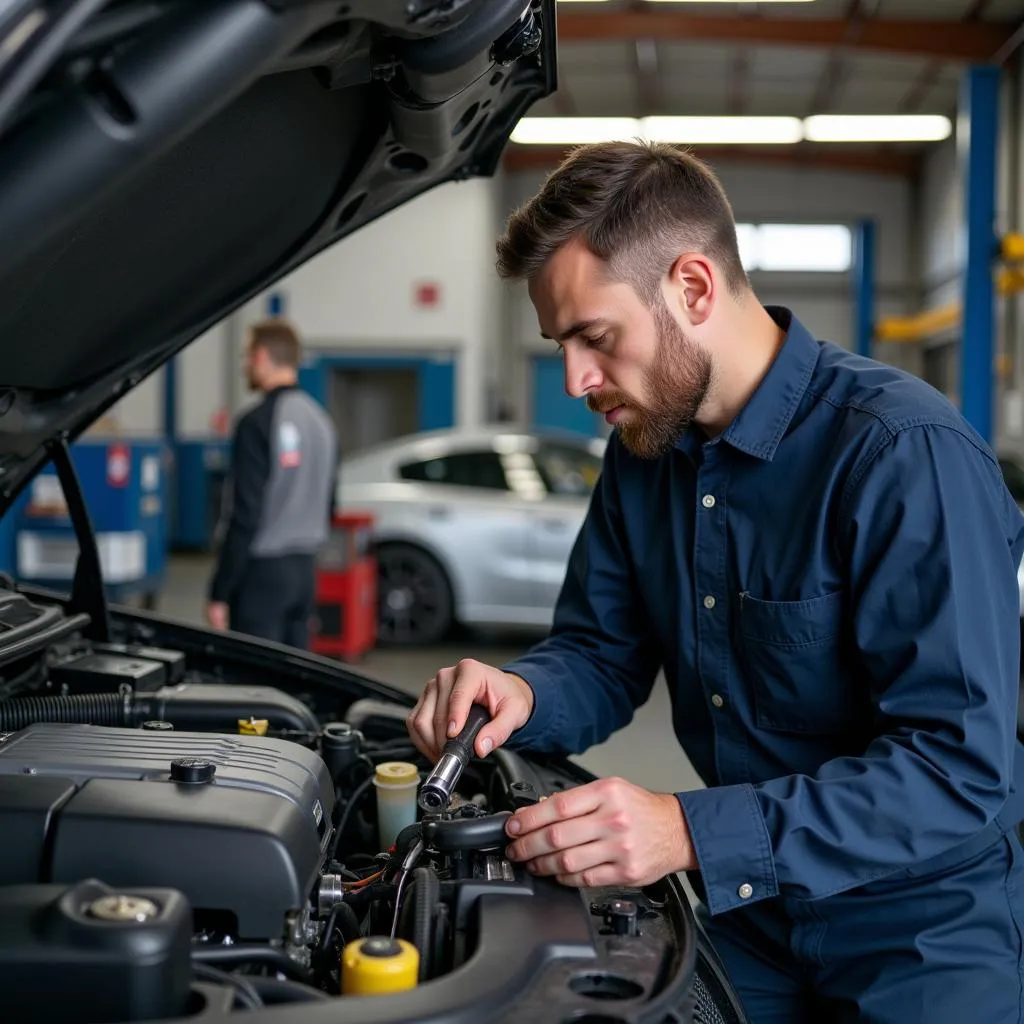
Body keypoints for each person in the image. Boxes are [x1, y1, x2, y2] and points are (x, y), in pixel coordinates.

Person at [406, 141, 1024, 1022]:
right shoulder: (643, 457)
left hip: (921, 930)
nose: (576, 378)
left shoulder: (901, 455)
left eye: (595, 337)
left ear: (693, 287)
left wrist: (686, 830)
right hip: (749, 917)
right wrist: (520, 692)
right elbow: (601, 653)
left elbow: (957, 768)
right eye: (561, 343)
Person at [206, 319, 338, 649]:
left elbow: (244, 512)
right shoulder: (321, 421)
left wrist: (220, 591)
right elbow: (331, 503)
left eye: (246, 356)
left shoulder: (256, 423)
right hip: (305, 573)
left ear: (262, 357)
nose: (245, 366)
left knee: (255, 689)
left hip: (261, 576)